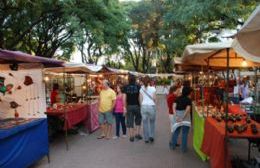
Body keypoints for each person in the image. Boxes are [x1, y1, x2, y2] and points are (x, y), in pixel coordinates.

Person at [170, 86, 192, 152]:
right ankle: (183, 149)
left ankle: (173, 146)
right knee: (185, 133)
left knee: (176, 131)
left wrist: (176, 116)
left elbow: (173, 107)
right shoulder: (188, 100)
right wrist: (182, 118)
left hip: (177, 116)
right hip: (186, 118)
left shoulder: (177, 98)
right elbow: (187, 110)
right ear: (189, 93)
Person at [123, 75, 142, 142]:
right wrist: (141, 105)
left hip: (129, 106)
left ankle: (131, 136)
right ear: (135, 79)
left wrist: (124, 107)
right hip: (137, 106)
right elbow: (139, 97)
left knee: (130, 121)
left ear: (128, 79)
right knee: (138, 120)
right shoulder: (138, 86)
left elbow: (124, 98)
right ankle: (137, 134)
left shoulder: (125, 87)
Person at [139, 76, 157, 143]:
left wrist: (142, 106)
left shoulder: (141, 89)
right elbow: (155, 99)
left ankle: (146, 138)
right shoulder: (153, 88)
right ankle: (151, 136)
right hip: (151, 106)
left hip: (144, 106)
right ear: (150, 81)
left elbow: (140, 100)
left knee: (145, 123)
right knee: (152, 122)